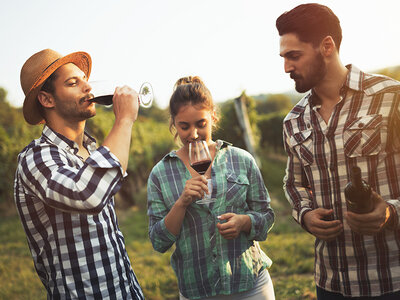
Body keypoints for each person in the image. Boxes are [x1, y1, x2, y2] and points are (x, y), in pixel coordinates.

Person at [276, 3, 400, 299]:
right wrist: (304, 214)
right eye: (283, 57)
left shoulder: (390, 98)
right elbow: (293, 183)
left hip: (391, 281)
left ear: (327, 46)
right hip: (330, 283)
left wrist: (390, 212)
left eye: (294, 56)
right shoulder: (293, 121)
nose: (286, 67)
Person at [14, 49, 144, 299]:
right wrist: (124, 120)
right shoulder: (36, 158)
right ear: (47, 99)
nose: (88, 88)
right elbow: (88, 195)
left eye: (85, 79)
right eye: (73, 83)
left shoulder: (93, 150)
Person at [146, 76, 275, 300]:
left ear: (213, 117)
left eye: (201, 124)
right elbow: (159, 241)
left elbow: (267, 216)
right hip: (198, 291)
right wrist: (182, 202)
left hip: (250, 285)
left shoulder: (241, 160)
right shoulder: (160, 173)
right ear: (173, 123)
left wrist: (244, 222)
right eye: (184, 126)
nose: (193, 134)